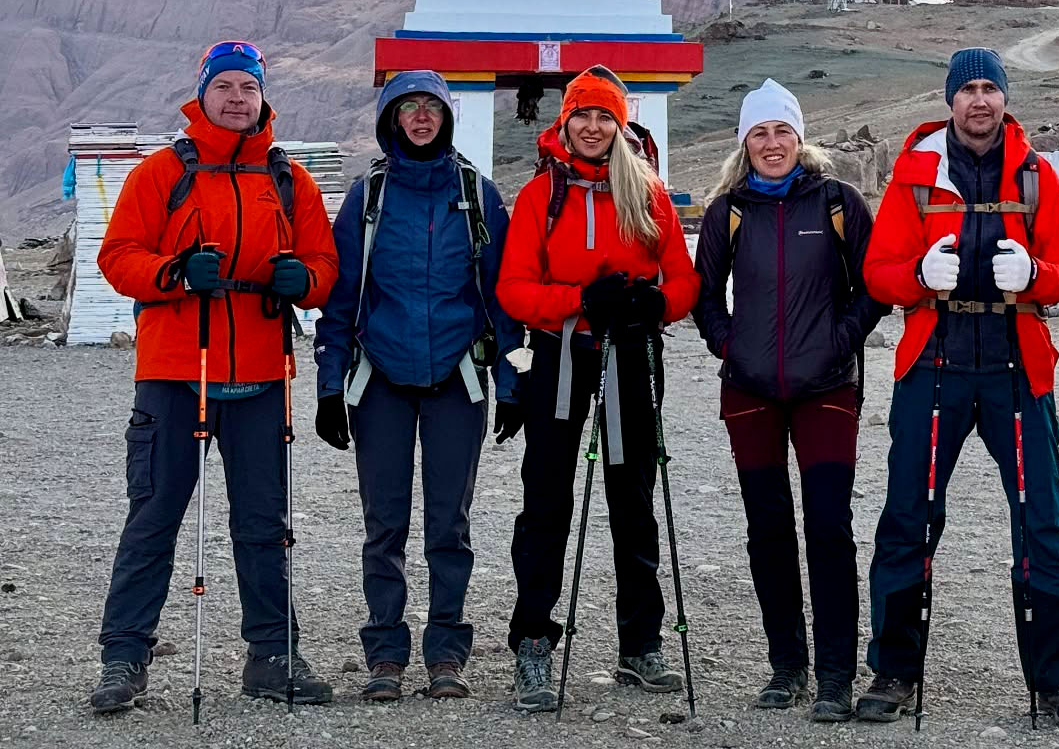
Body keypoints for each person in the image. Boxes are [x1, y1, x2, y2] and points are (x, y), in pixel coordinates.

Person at [90, 41, 339, 711]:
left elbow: (324, 265)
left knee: (264, 523)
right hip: (176, 374)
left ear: (263, 98)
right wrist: (173, 274)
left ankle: (273, 656)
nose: (237, 98)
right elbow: (118, 256)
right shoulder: (162, 173)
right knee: (154, 517)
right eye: (225, 86)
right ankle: (123, 658)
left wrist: (305, 280)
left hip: (261, 377)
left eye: (248, 88)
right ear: (202, 94)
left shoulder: (290, 181)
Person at [857, 47, 1059, 727]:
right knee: (908, 518)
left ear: (1005, 97)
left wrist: (1036, 273)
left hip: (1018, 372)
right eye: (969, 90)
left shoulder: (1037, 175)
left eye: (991, 87)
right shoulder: (915, 175)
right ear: (950, 100)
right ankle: (894, 669)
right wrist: (916, 277)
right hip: (932, 367)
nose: (980, 101)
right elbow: (879, 274)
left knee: (1043, 522)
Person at [313, 70, 524, 702]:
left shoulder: (477, 196)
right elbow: (342, 299)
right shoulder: (367, 198)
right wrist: (330, 387)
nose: (422, 117)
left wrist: (510, 381)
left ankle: (446, 655)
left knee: (448, 524)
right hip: (380, 381)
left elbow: (501, 301)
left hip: (457, 380)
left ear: (447, 117)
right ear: (391, 119)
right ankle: (384, 654)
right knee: (384, 524)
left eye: (433, 106)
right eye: (410, 108)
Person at [497, 68, 701, 712]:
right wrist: (580, 301)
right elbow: (514, 288)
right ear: (565, 121)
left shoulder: (648, 191)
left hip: (632, 352)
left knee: (633, 498)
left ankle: (639, 645)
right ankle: (533, 640)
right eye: (582, 115)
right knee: (548, 500)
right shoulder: (538, 196)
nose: (592, 127)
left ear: (620, 124)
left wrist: (655, 304)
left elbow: (684, 280)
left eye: (604, 117)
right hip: (560, 354)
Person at [693, 79, 886, 722]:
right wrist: (730, 346)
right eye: (759, 133)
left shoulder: (839, 202)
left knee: (829, 526)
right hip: (749, 391)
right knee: (767, 529)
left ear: (800, 138)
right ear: (743, 142)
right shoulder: (728, 211)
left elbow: (875, 285)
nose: (771, 144)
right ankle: (787, 667)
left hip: (826, 388)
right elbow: (703, 294)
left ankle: (834, 673)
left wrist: (840, 342)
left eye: (782, 131)